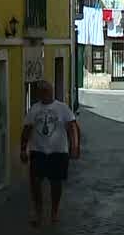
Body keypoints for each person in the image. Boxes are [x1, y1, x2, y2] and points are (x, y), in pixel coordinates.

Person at [20, 80, 80, 226]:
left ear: (51, 92)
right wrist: (23, 149)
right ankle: (38, 212)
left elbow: (73, 127)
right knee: (35, 183)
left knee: (56, 184)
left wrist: (75, 146)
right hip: (38, 151)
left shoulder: (62, 108)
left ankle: (54, 212)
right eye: (42, 91)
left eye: (47, 91)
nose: (45, 94)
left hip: (58, 152)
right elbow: (27, 129)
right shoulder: (34, 109)